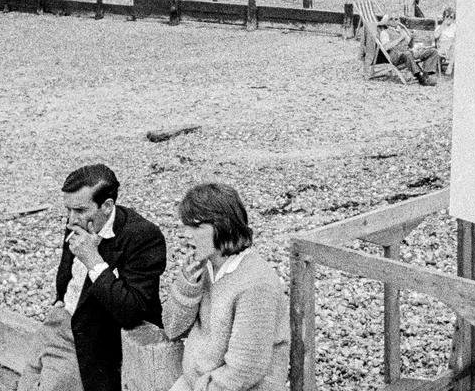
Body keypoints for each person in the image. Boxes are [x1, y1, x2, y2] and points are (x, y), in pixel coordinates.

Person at [17, 163, 166, 391]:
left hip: (96, 338)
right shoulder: (81, 220)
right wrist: (59, 304)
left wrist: (93, 260)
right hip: (59, 320)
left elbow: (132, 311)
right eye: (68, 210)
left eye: (78, 210)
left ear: (107, 206)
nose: (70, 221)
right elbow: (66, 274)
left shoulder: (143, 237)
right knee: (26, 384)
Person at [163, 183, 288, 391]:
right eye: (185, 226)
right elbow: (172, 327)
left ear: (224, 226)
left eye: (196, 226)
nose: (185, 234)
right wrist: (187, 286)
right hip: (200, 381)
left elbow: (244, 371)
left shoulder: (256, 284)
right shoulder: (206, 264)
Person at [377, 14, 440, 85]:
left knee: (433, 51)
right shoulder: (384, 32)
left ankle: (427, 74)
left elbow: (410, 45)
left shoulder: (401, 31)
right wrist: (400, 38)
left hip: (408, 52)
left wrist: (412, 38)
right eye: (391, 19)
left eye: (396, 19)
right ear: (386, 22)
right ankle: (419, 76)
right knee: (407, 53)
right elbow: (386, 47)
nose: (394, 20)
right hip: (395, 55)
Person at [434, 7, 457, 75]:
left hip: (452, 47)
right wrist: (443, 25)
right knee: (453, 45)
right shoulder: (440, 27)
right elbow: (436, 36)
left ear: (453, 19)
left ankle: (450, 66)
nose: (449, 18)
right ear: (444, 17)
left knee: (455, 45)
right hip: (442, 47)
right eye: (447, 16)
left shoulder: (455, 27)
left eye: (451, 17)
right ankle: (450, 66)